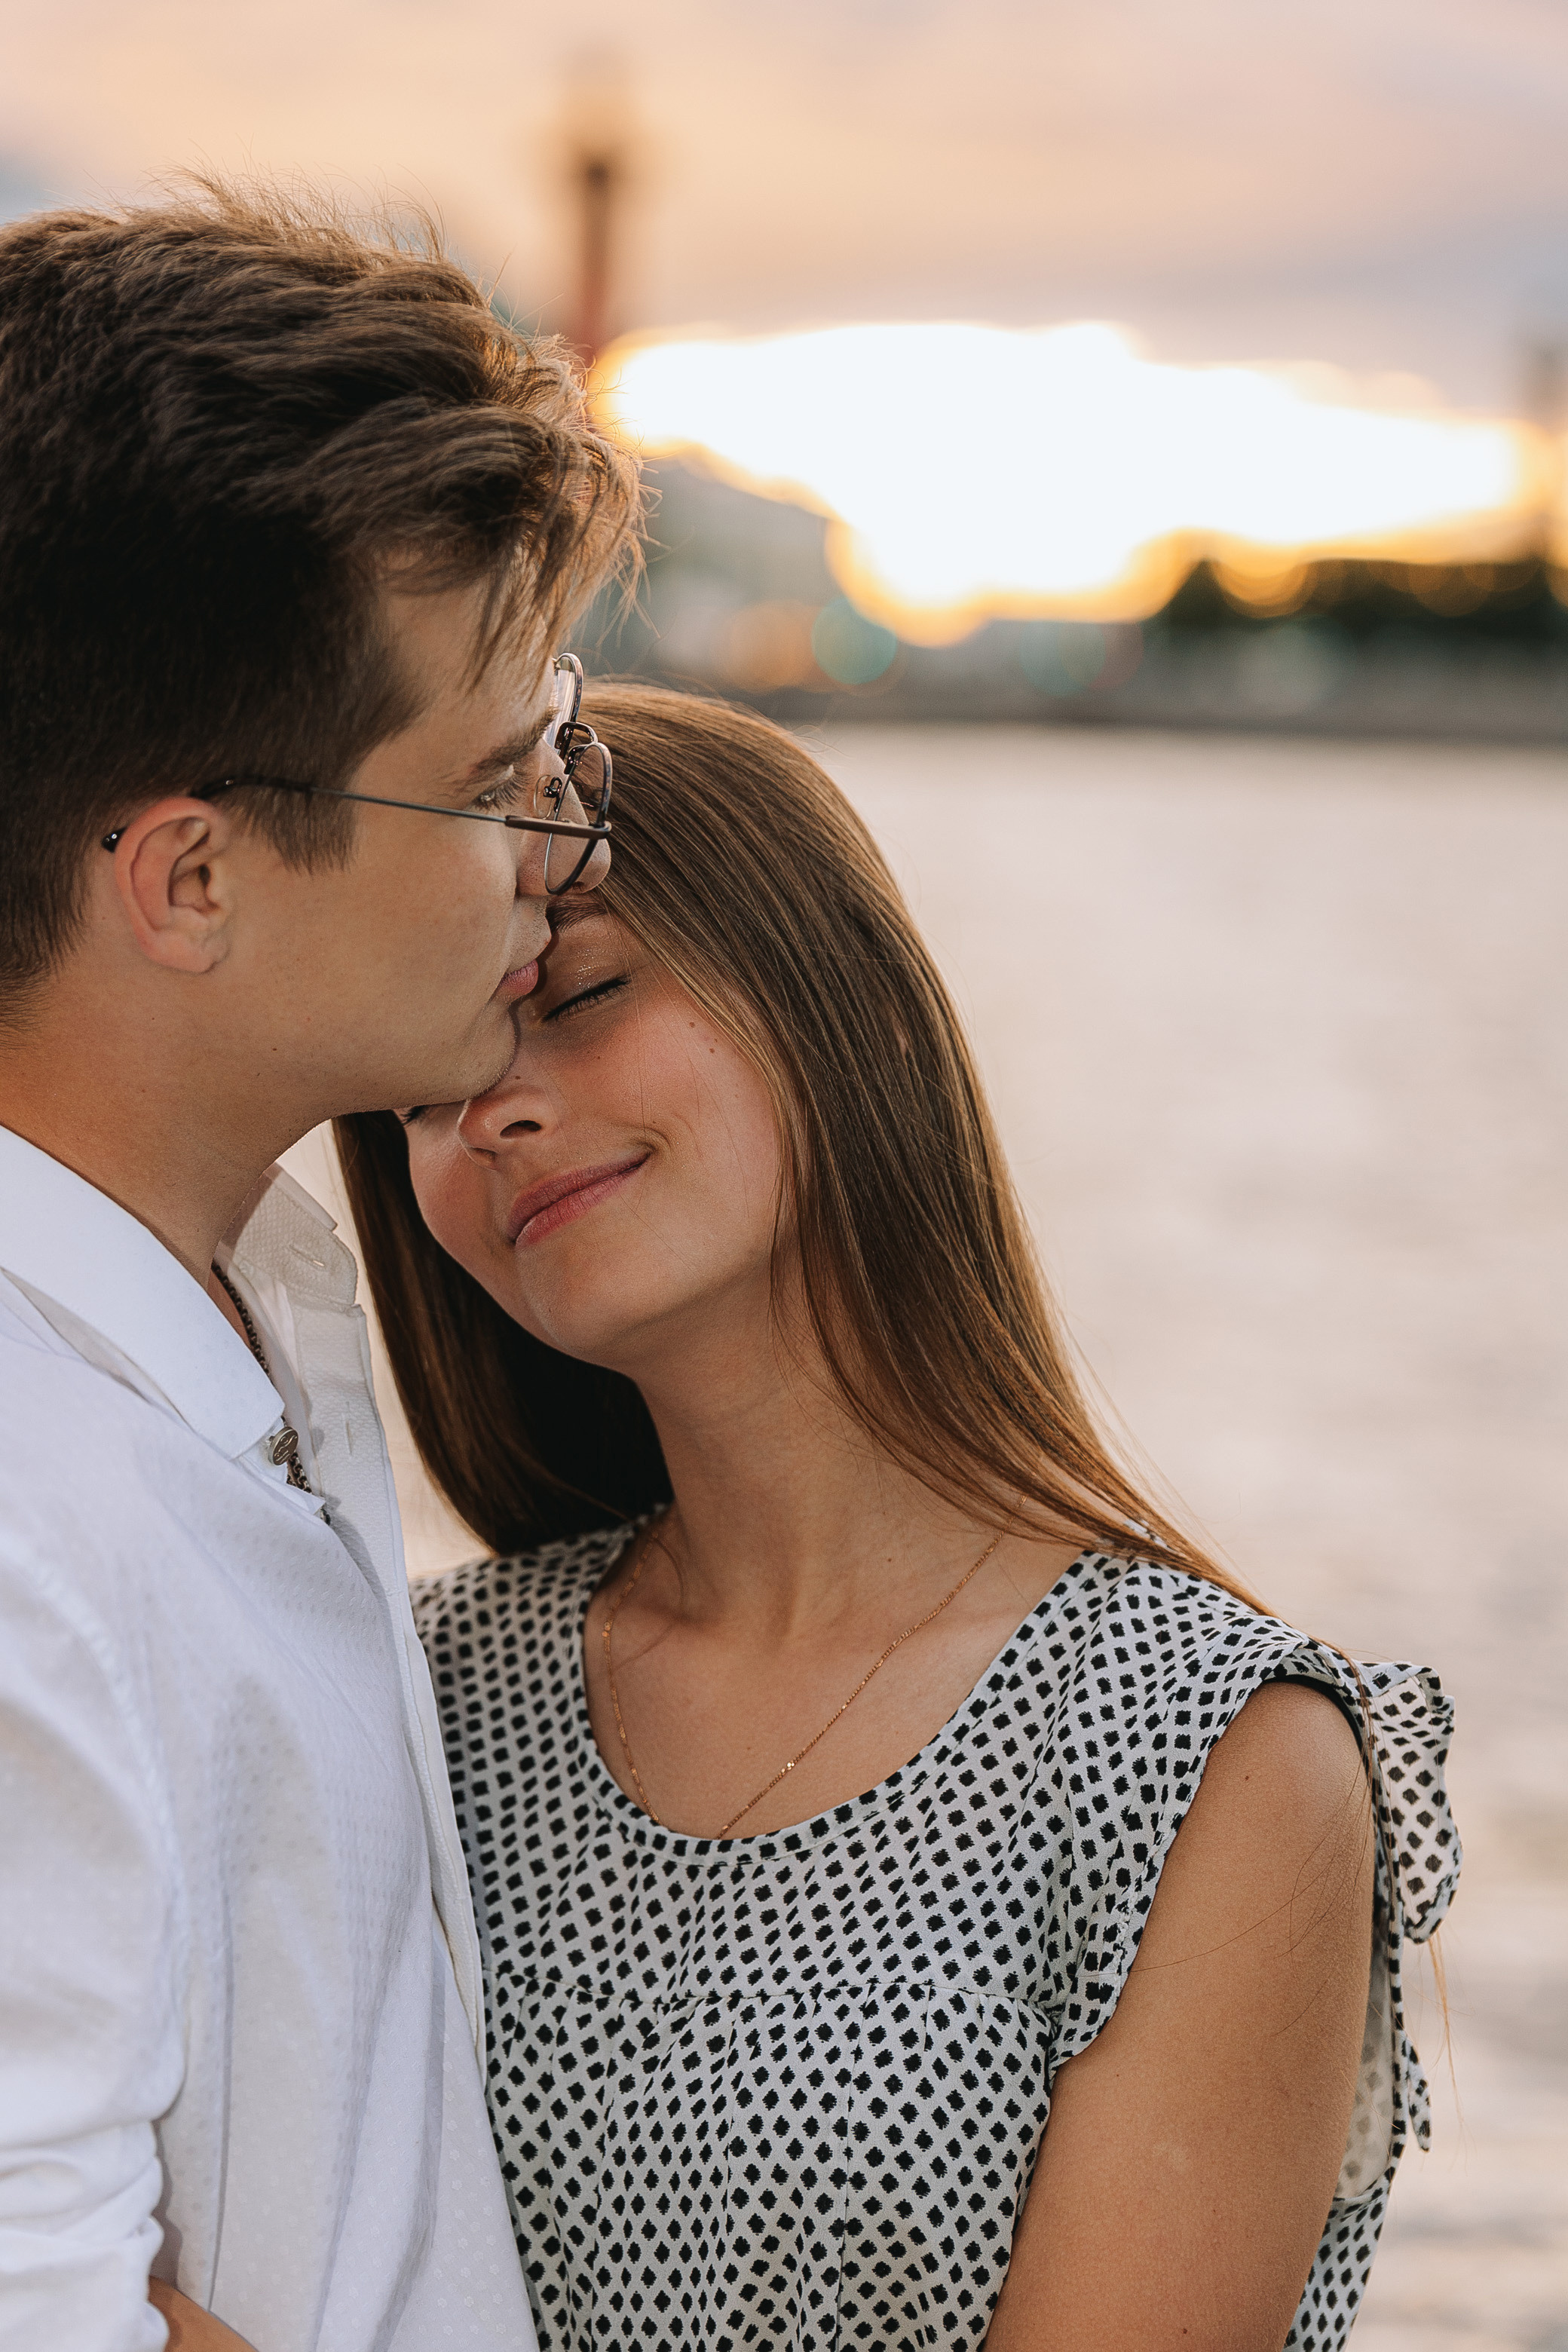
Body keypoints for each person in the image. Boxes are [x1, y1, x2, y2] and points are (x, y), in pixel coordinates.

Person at [337, 684, 1461, 2352]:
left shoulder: (1200, 1755)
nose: (493, 1108)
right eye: (429, 1083)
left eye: (579, 997)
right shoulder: (416, 1690)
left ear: (843, 998)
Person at [0, 182, 639, 2350]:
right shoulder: (30, 1524)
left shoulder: (242, 1319)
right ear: (190, 880)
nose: (563, 846)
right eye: (495, 780)